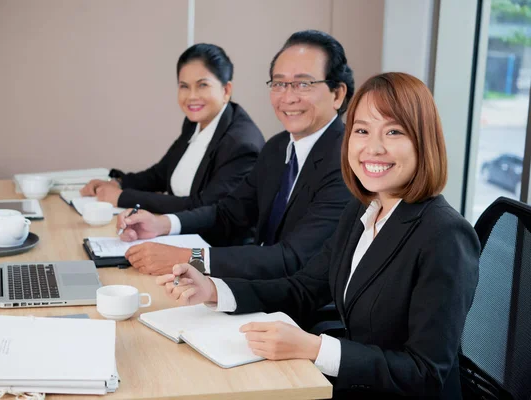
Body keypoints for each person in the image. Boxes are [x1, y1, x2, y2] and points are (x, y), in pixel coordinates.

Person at [156, 72, 480, 399]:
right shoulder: (364, 209)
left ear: (424, 142)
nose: (373, 147)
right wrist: (213, 289)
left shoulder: (445, 235)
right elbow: (304, 287)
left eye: (393, 131)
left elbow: (425, 373)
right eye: (362, 130)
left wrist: (315, 348)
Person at [116, 30, 354, 279]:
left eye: (303, 84)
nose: (288, 97)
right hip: (258, 288)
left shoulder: (346, 162)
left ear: (337, 94)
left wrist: (188, 259)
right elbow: (228, 213)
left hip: (302, 310)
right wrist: (161, 224)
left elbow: (291, 258)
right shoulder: (278, 146)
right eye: (279, 84)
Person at [80, 43, 265, 214]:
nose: (191, 96)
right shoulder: (195, 122)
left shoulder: (241, 145)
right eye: (184, 86)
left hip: (213, 246)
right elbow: (161, 173)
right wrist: (118, 183)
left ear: (226, 90)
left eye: (202, 85)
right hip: (183, 234)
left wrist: (123, 198)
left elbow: (205, 208)